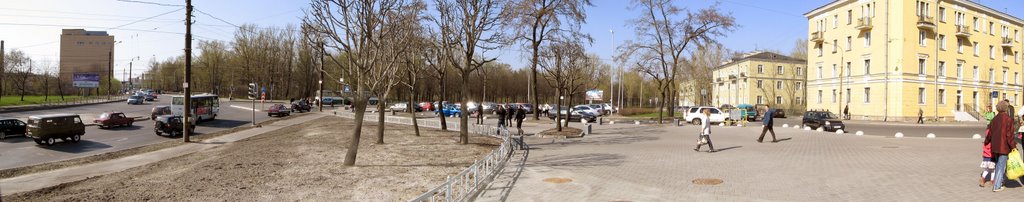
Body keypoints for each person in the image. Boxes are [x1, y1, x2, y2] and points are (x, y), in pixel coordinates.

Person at [984, 100, 1016, 192]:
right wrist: (1013, 147)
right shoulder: (1008, 119)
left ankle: (1000, 182)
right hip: (1004, 146)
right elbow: (1009, 135)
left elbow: (989, 133)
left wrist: (986, 142)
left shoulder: (994, 119)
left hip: (995, 146)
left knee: (998, 165)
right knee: (1001, 166)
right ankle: (997, 186)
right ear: (1006, 108)